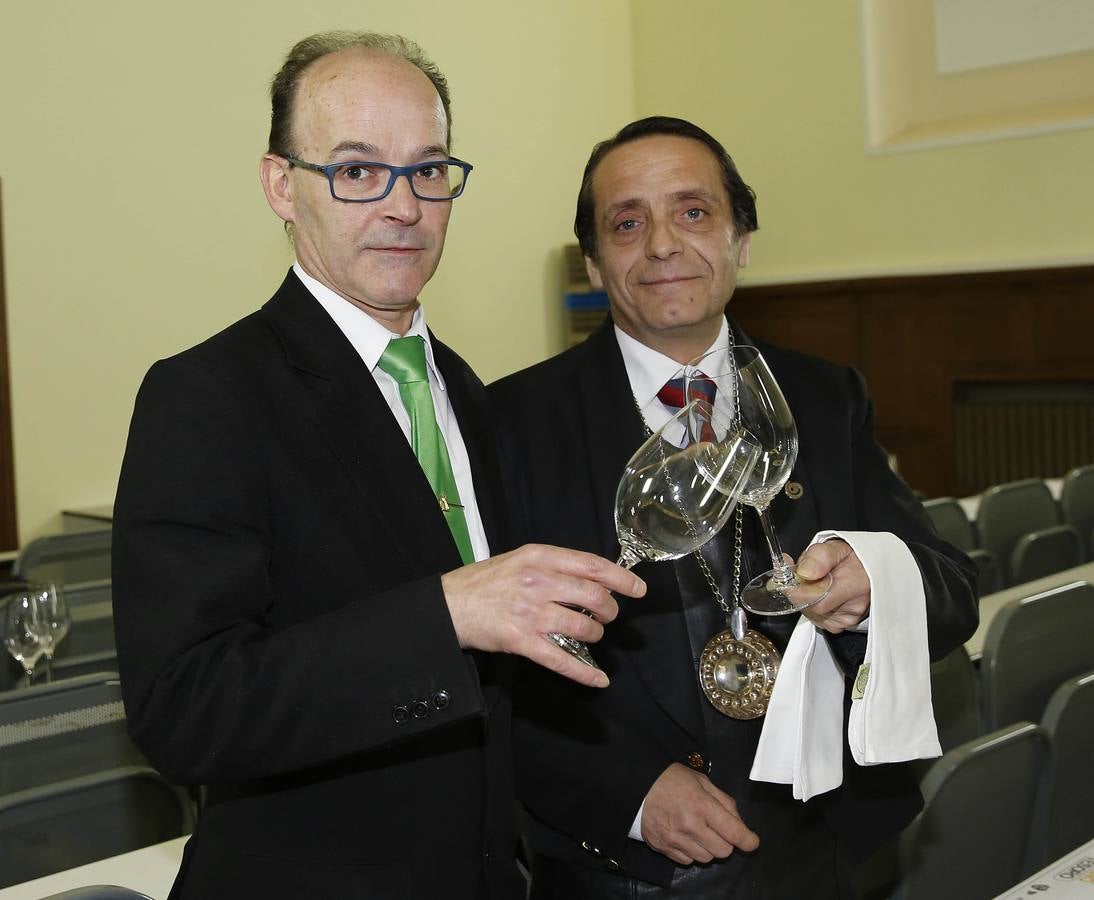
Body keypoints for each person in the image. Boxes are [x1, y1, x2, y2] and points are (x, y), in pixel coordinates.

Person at [111, 32, 644, 900]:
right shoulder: (206, 394)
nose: (404, 206)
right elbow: (185, 711)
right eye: (357, 171)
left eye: (428, 170)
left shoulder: (467, 392)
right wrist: (443, 616)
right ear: (282, 186)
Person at [489, 116, 979, 898]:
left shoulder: (825, 398)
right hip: (622, 868)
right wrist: (631, 793)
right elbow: (485, 676)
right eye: (626, 222)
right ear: (593, 259)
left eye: (693, 212)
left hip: (810, 848)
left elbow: (952, 595)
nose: (661, 245)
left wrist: (876, 584)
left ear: (741, 239)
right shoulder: (509, 422)